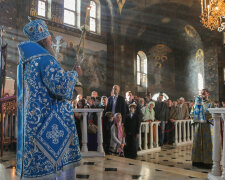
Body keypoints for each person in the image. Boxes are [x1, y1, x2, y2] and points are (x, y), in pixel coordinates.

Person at [16, 19, 82, 179]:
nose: (52, 44)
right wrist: (75, 74)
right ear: (45, 42)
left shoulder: (23, 64)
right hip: (46, 128)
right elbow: (61, 87)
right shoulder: (45, 59)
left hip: (29, 128)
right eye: (51, 41)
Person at [191, 89, 214, 169]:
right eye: (201, 94)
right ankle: (197, 161)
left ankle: (208, 162)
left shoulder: (211, 104)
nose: (202, 95)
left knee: (207, 144)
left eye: (204, 93)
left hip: (207, 127)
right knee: (197, 143)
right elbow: (192, 113)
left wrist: (204, 116)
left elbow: (213, 115)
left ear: (208, 94)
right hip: (198, 126)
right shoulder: (197, 104)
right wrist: (195, 116)